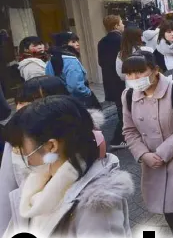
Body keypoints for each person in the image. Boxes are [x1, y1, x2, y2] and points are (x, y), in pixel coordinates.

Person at [1, 95, 133, 238]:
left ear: (51, 146)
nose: (15, 152)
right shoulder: (38, 179)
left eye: (20, 146)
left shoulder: (96, 206)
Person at [121, 51, 173, 235]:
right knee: (170, 207)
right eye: (129, 74)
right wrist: (143, 155)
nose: (134, 78)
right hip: (152, 162)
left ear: (155, 70)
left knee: (172, 208)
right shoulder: (128, 95)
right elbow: (129, 130)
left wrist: (162, 153)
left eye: (139, 72)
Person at [46, 32, 100, 109]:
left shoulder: (50, 61)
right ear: (63, 45)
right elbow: (76, 87)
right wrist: (88, 93)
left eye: (77, 41)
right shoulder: (71, 61)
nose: (78, 44)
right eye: (73, 42)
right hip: (78, 102)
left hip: (61, 101)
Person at [97, 15, 126, 149]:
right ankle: (118, 138)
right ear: (115, 25)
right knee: (125, 110)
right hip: (121, 79)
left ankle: (123, 136)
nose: (123, 25)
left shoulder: (102, 41)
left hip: (109, 79)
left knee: (121, 108)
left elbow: (101, 62)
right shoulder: (121, 40)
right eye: (121, 23)